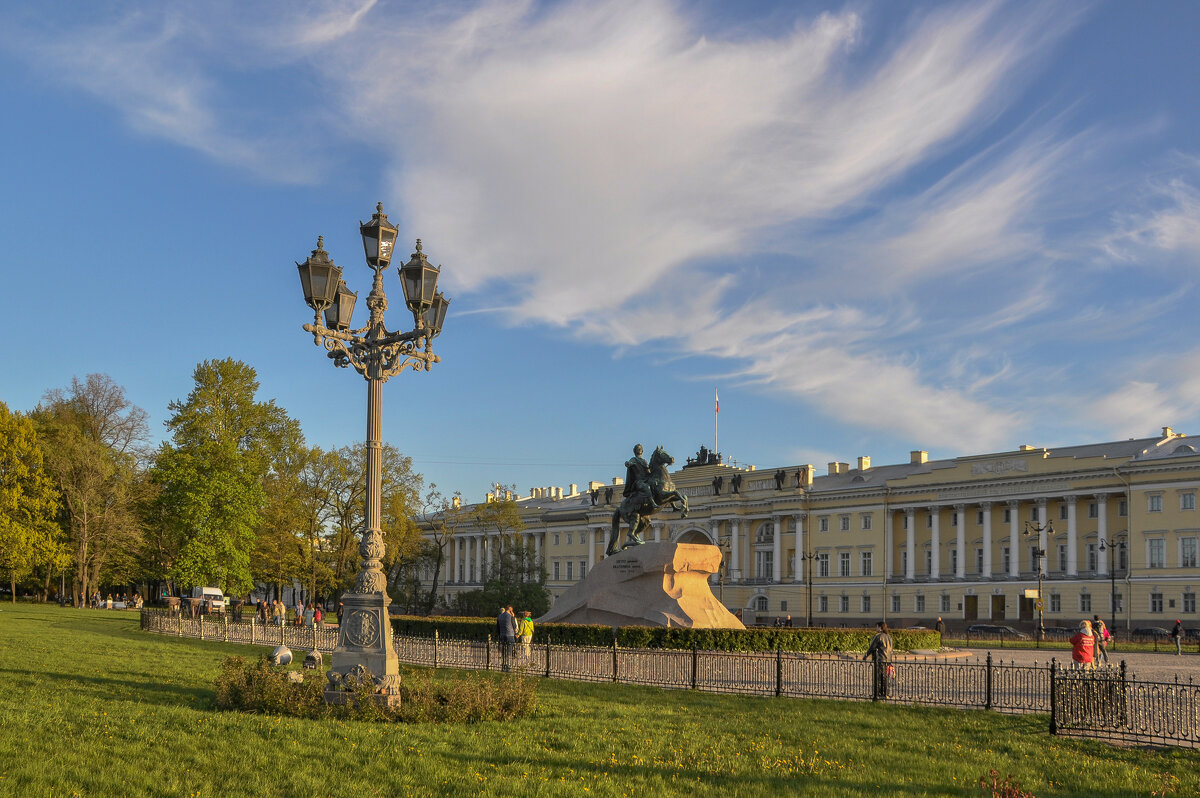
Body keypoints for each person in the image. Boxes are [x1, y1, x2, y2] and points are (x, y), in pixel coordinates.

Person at [863, 621, 894, 698]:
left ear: (880, 628)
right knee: (885, 677)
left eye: (876, 626)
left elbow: (872, 647)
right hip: (888, 660)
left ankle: (879, 693)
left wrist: (866, 656)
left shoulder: (878, 636)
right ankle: (885, 693)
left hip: (880, 659)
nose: (875, 628)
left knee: (879, 677)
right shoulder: (889, 637)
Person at [622, 444, 658, 511]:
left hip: (646, 479)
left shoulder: (644, 461)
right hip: (639, 481)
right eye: (637, 449)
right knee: (646, 487)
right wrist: (628, 463)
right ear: (635, 451)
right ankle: (653, 503)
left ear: (642, 450)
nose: (639, 449)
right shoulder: (633, 459)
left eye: (640, 448)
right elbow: (629, 463)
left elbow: (648, 471)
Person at [497, 605, 517, 671]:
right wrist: (513, 617)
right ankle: (508, 665)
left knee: (503, 650)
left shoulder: (500, 616)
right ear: (510, 610)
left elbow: (498, 626)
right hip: (510, 635)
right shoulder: (510, 616)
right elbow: (514, 626)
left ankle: (504, 663)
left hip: (502, 635)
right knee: (510, 650)